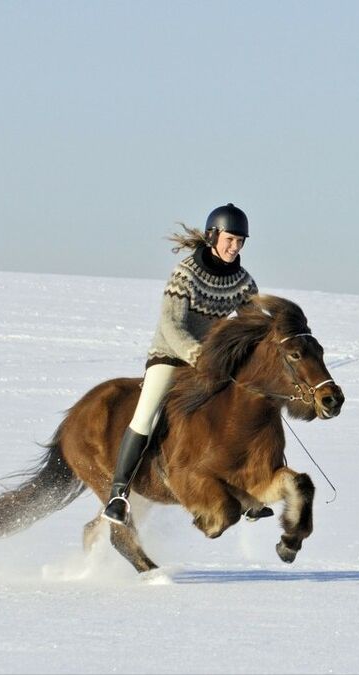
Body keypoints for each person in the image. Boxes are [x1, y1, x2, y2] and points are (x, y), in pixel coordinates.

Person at [101, 203, 260, 524]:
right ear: (213, 237)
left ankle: (248, 489)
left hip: (211, 362)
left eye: (240, 241)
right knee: (147, 415)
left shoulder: (243, 281)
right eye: (230, 239)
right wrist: (198, 356)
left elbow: (252, 324)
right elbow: (172, 325)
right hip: (171, 355)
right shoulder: (185, 273)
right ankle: (119, 494)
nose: (235, 246)